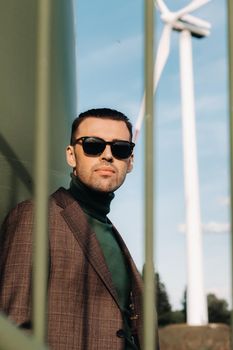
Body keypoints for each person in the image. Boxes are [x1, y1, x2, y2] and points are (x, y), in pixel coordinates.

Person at [0, 108, 158, 350]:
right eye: (93, 146)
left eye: (121, 148)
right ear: (72, 155)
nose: (107, 155)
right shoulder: (36, 216)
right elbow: (14, 324)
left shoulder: (110, 232)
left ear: (131, 161)